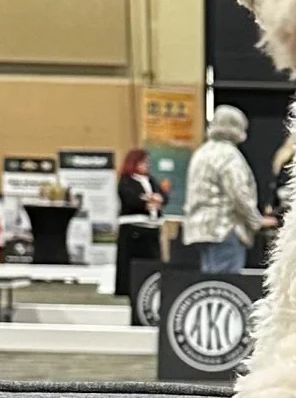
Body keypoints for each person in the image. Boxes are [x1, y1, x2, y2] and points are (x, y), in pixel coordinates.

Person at [183, 106, 276, 273]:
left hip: (199, 230)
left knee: (210, 284)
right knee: (226, 284)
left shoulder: (201, 153)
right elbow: (239, 194)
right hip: (224, 230)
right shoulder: (230, 155)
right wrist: (257, 220)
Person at [115, 148, 167, 298]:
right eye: (144, 162)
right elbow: (130, 199)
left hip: (151, 227)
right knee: (131, 263)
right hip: (133, 228)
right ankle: (127, 289)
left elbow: (163, 196)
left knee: (152, 261)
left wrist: (158, 199)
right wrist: (147, 201)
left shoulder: (151, 180)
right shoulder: (126, 181)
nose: (147, 165)